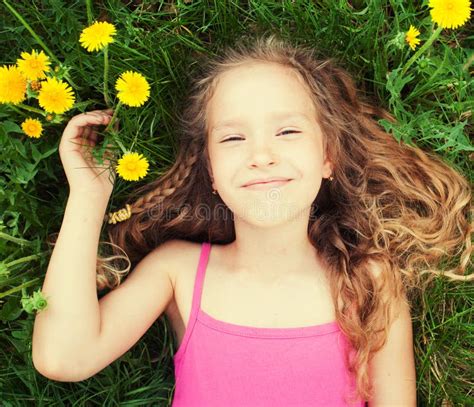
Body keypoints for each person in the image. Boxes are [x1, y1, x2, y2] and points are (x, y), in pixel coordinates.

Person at [32, 33, 472, 406]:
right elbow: (62, 357)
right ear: (211, 171)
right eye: (234, 137)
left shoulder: (369, 279)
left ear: (328, 156)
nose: (261, 155)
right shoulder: (178, 271)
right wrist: (89, 196)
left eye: (288, 131)